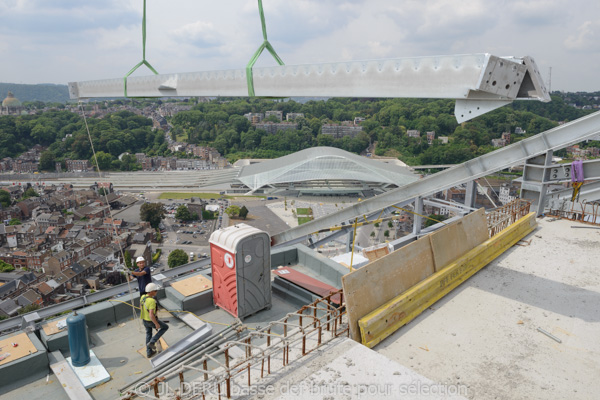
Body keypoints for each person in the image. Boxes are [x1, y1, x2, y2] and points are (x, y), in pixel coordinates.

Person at [140, 282, 168, 358]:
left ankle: (149, 352)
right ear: (151, 291)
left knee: (148, 334)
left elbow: (141, 307)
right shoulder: (152, 301)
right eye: (155, 291)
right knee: (165, 327)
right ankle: (152, 342)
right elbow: (151, 315)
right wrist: (156, 324)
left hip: (144, 320)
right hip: (150, 320)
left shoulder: (143, 297)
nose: (156, 292)